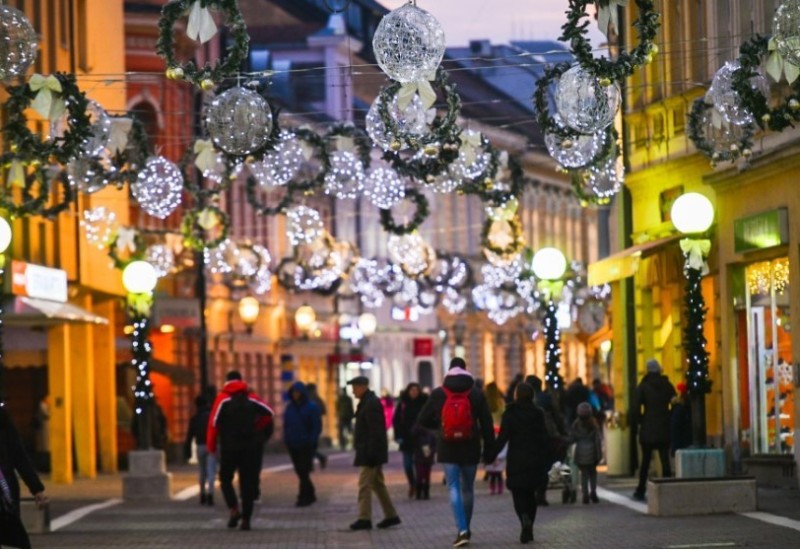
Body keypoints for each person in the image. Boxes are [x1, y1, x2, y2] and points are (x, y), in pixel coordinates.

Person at [416, 357, 495, 548]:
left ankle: (462, 530)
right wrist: (490, 450)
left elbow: (422, 419)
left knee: (453, 487)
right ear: (466, 370)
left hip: (448, 446)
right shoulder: (476, 393)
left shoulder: (438, 393)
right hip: (471, 446)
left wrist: (440, 427)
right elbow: (487, 424)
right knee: (468, 488)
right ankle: (465, 527)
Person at [207, 370, 274, 531]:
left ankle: (234, 508)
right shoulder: (250, 398)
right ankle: (246, 520)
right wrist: (256, 427)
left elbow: (213, 424)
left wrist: (212, 447)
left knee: (225, 479)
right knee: (247, 483)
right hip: (249, 448)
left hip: (229, 448)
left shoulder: (222, 399)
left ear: (226, 382)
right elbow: (269, 413)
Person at [489, 383, 548, 544]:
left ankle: (523, 519)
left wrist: (490, 454)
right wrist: (547, 457)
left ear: (516, 396)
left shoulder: (510, 413)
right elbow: (544, 437)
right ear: (531, 395)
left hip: (516, 460)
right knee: (531, 495)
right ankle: (530, 525)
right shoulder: (538, 413)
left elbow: (503, 438)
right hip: (534, 460)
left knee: (518, 494)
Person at [348, 376, 401, 531]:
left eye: (355, 387)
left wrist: (371, 453)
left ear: (363, 387)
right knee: (378, 484)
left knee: (364, 485)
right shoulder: (367, 401)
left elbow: (376, 431)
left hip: (370, 452)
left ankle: (364, 518)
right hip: (370, 451)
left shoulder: (370, 403)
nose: (353, 391)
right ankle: (391, 515)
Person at [0, 406, 49, 549]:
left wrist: (36, 489)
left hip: (3, 493)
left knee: (17, 538)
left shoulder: (2, 418)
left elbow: (19, 455)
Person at [632, 359, 676, 501]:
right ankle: (669, 489)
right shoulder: (667, 384)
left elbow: (636, 406)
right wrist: (669, 416)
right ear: (659, 370)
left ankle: (641, 489)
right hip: (664, 424)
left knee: (645, 461)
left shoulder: (643, 386)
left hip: (648, 426)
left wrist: (640, 421)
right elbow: (674, 401)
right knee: (665, 459)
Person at [525, 374, 567, 506]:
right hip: (547, 436)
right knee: (545, 465)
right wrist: (562, 431)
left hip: (529, 438)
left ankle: (531, 493)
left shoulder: (525, 400)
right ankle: (541, 494)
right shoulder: (547, 399)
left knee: (531, 466)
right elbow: (557, 415)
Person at [283, 381, 322, 507]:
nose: (295, 394)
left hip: (306, 444)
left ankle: (303, 496)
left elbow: (316, 426)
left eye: (297, 392)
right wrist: (287, 438)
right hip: (293, 444)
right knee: (300, 471)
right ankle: (310, 493)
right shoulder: (290, 407)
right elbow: (286, 424)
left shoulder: (311, 407)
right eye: (293, 392)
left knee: (303, 470)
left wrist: (312, 440)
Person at [393, 382, 428, 498]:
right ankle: (412, 483)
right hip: (406, 439)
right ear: (408, 392)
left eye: (416, 390)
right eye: (412, 390)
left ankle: (420, 485)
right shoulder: (403, 404)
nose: (414, 392)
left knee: (421, 465)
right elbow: (396, 421)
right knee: (407, 465)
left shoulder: (424, 402)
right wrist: (398, 436)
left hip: (421, 439)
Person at [184, 395, 215, 506]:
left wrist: (187, 451)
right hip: (211, 445)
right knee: (211, 470)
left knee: (202, 470)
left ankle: (202, 494)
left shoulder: (194, 418)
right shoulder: (211, 417)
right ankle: (211, 494)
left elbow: (189, 436)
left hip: (200, 445)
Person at [570, 402, 602, 504]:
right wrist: (599, 454)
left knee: (584, 475)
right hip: (592, 452)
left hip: (581, 452)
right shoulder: (594, 424)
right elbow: (597, 440)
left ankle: (585, 494)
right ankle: (593, 491)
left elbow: (572, 438)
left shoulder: (575, 425)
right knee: (593, 474)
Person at [305, 383, 328, 470]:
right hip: (316, 425)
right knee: (311, 446)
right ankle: (314, 462)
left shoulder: (309, 399)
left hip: (311, 426)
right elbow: (324, 411)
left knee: (310, 447)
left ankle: (314, 462)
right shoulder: (317, 399)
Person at [412, 423, 436, 500]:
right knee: (420, 474)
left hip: (427, 455)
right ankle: (419, 492)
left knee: (426, 475)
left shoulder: (431, 432)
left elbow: (435, 443)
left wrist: (432, 451)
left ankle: (425, 492)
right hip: (420, 455)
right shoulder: (417, 431)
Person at [670, 381, 692, 456]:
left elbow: (675, 428)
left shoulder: (677, 408)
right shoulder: (688, 406)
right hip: (687, 442)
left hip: (680, 444)